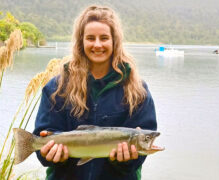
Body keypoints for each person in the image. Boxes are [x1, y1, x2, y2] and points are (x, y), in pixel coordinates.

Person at [33, 5, 157, 180]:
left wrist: (125, 161)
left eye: (104, 38)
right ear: (81, 41)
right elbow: (43, 135)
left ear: (114, 41)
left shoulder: (138, 90)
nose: (97, 44)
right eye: (90, 38)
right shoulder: (56, 88)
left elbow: (139, 154)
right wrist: (49, 154)